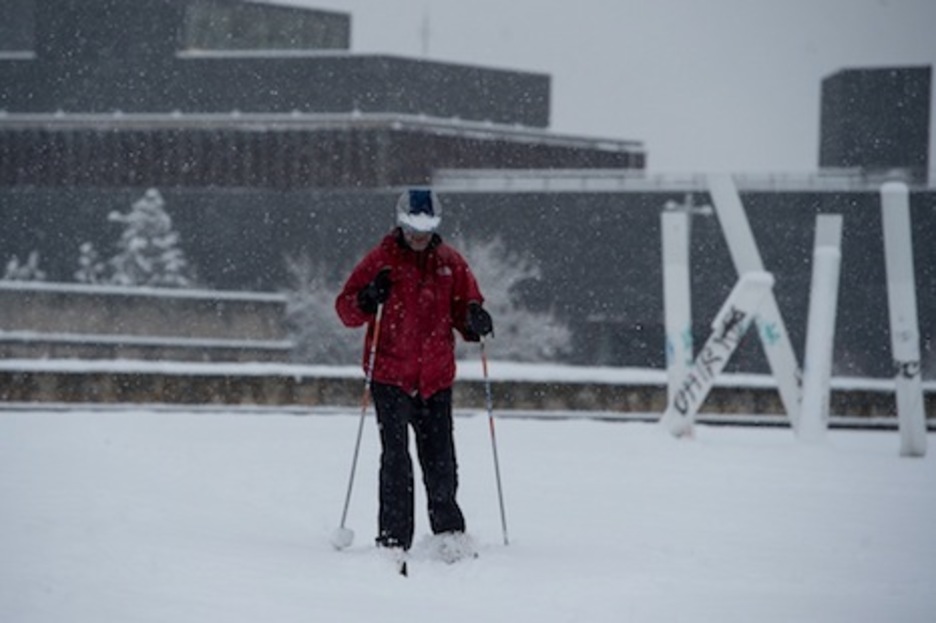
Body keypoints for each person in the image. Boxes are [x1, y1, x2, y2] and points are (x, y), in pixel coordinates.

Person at [335, 188, 494, 556]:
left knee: (441, 459)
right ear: (401, 225)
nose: (419, 237)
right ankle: (393, 539)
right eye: (412, 229)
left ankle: (449, 532)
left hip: (435, 379)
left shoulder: (450, 263)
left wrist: (475, 319)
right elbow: (345, 309)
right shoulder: (381, 261)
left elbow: (467, 309)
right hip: (390, 376)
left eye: (426, 230)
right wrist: (366, 298)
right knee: (395, 458)